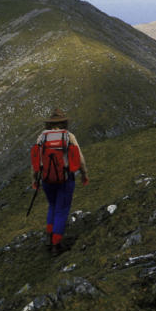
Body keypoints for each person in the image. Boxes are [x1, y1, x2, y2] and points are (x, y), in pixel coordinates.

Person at [30, 108, 89, 255]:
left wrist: (34, 179)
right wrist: (84, 174)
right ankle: (56, 245)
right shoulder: (68, 136)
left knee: (52, 206)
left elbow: (35, 160)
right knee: (62, 210)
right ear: (64, 123)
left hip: (46, 179)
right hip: (65, 178)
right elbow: (80, 159)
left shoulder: (41, 137)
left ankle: (50, 238)